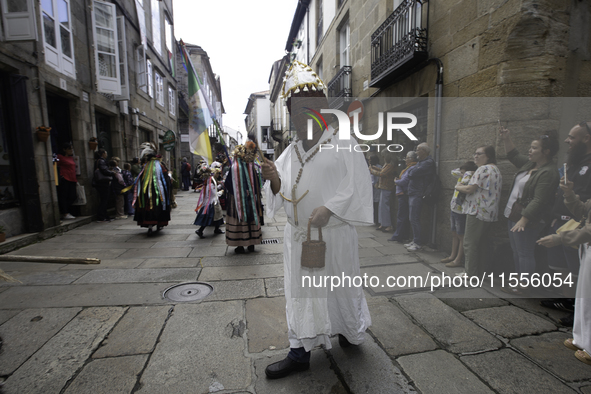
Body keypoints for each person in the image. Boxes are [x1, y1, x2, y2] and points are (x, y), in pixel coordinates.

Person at [261, 61, 373, 379]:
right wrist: (272, 179)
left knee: (339, 289)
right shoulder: (289, 153)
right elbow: (280, 193)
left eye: (309, 108)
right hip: (299, 240)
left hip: (335, 237)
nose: (302, 115)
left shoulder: (343, 143)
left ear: (322, 109)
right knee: (301, 292)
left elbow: (357, 185)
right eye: (296, 110)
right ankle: (299, 351)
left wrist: (330, 208)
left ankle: (349, 331)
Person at [537, 176, 591, 366]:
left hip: (587, 242)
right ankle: (582, 340)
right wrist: (568, 193)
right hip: (587, 247)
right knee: (584, 295)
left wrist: (559, 238)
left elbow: (589, 229)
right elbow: (584, 211)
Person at [499, 128, 560, 294]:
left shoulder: (548, 172)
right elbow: (513, 155)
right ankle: (519, 281)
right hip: (515, 214)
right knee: (516, 250)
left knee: (525, 252)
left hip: (528, 218)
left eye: (534, 148)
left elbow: (539, 200)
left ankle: (525, 286)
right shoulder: (530, 164)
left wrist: (524, 219)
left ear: (546, 152)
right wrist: (506, 138)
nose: (530, 150)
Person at [541, 122, 591, 325]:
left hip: (578, 227)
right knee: (561, 267)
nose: (567, 140)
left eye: (572, 137)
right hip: (562, 221)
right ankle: (567, 301)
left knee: (578, 271)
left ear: (586, 139)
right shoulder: (575, 160)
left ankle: (579, 312)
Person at [455, 146, 502, 277]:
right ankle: (481, 272)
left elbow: (470, 189)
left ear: (488, 156)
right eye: (474, 153)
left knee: (469, 243)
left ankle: (470, 273)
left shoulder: (483, 169)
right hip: (489, 212)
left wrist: (458, 186)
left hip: (477, 210)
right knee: (481, 243)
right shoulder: (496, 169)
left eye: (479, 154)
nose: (475, 156)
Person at [224, 141, 264, 253]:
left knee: (239, 219)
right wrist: (251, 192)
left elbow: (228, 184)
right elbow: (257, 183)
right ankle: (251, 243)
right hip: (251, 199)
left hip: (236, 200)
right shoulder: (251, 168)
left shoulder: (234, 168)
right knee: (251, 218)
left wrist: (238, 193)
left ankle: (240, 245)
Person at [440, 161, 478, 267]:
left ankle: (458, 259)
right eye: (461, 173)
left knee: (461, 235)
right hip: (454, 209)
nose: (461, 174)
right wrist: (463, 173)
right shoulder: (460, 179)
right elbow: (454, 172)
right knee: (454, 233)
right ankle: (452, 255)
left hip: (461, 211)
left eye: (463, 173)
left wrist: (468, 173)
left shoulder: (468, 180)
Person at [132, 142, 172, 235]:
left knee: (149, 206)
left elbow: (140, 180)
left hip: (146, 193)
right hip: (159, 193)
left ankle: (150, 226)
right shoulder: (161, 166)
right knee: (158, 206)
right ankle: (159, 224)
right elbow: (166, 179)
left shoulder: (145, 167)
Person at [404, 143, 435, 251]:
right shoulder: (420, 163)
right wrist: (413, 169)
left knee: (415, 218)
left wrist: (413, 169)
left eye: (418, 150)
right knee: (412, 218)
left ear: (424, 151)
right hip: (413, 192)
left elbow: (411, 173)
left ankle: (417, 242)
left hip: (418, 193)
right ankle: (414, 240)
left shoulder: (427, 163)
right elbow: (411, 172)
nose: (416, 152)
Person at [389, 151, 418, 242]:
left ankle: (398, 236)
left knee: (401, 215)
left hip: (404, 194)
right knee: (403, 216)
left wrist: (396, 181)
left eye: (407, 158)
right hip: (403, 194)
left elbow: (404, 181)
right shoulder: (409, 168)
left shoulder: (411, 168)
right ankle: (403, 235)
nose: (405, 160)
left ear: (411, 159)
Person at [194, 165, 224, 238]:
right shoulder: (210, 184)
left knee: (218, 215)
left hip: (211, 202)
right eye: (217, 173)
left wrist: (220, 186)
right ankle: (200, 230)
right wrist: (221, 192)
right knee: (209, 217)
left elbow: (214, 189)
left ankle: (217, 229)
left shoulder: (209, 184)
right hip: (212, 203)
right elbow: (214, 194)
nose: (218, 175)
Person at [370, 155, 397, 232]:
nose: (383, 158)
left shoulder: (390, 166)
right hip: (383, 187)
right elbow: (382, 170)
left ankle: (387, 224)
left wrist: (372, 171)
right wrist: (375, 168)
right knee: (381, 207)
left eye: (384, 156)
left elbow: (382, 174)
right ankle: (382, 223)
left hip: (387, 187)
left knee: (385, 207)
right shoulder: (386, 165)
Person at [56, 143, 77, 220]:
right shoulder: (60, 157)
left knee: (73, 196)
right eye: (69, 149)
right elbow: (56, 166)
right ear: (64, 149)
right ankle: (65, 213)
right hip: (65, 179)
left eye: (71, 149)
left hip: (72, 179)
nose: (71, 150)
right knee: (64, 196)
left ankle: (64, 211)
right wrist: (61, 175)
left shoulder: (71, 158)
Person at [92, 149, 114, 222]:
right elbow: (104, 170)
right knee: (104, 200)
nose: (106, 155)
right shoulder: (101, 161)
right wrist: (112, 173)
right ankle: (101, 216)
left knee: (105, 200)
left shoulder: (99, 161)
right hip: (102, 183)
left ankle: (104, 215)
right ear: (103, 154)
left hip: (102, 183)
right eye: (106, 153)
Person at [369, 155, 382, 226]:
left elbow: (373, 180)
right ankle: (375, 220)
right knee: (375, 205)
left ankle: (377, 220)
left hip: (376, 189)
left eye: (370, 160)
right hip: (375, 189)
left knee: (376, 205)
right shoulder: (376, 167)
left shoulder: (376, 167)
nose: (369, 161)